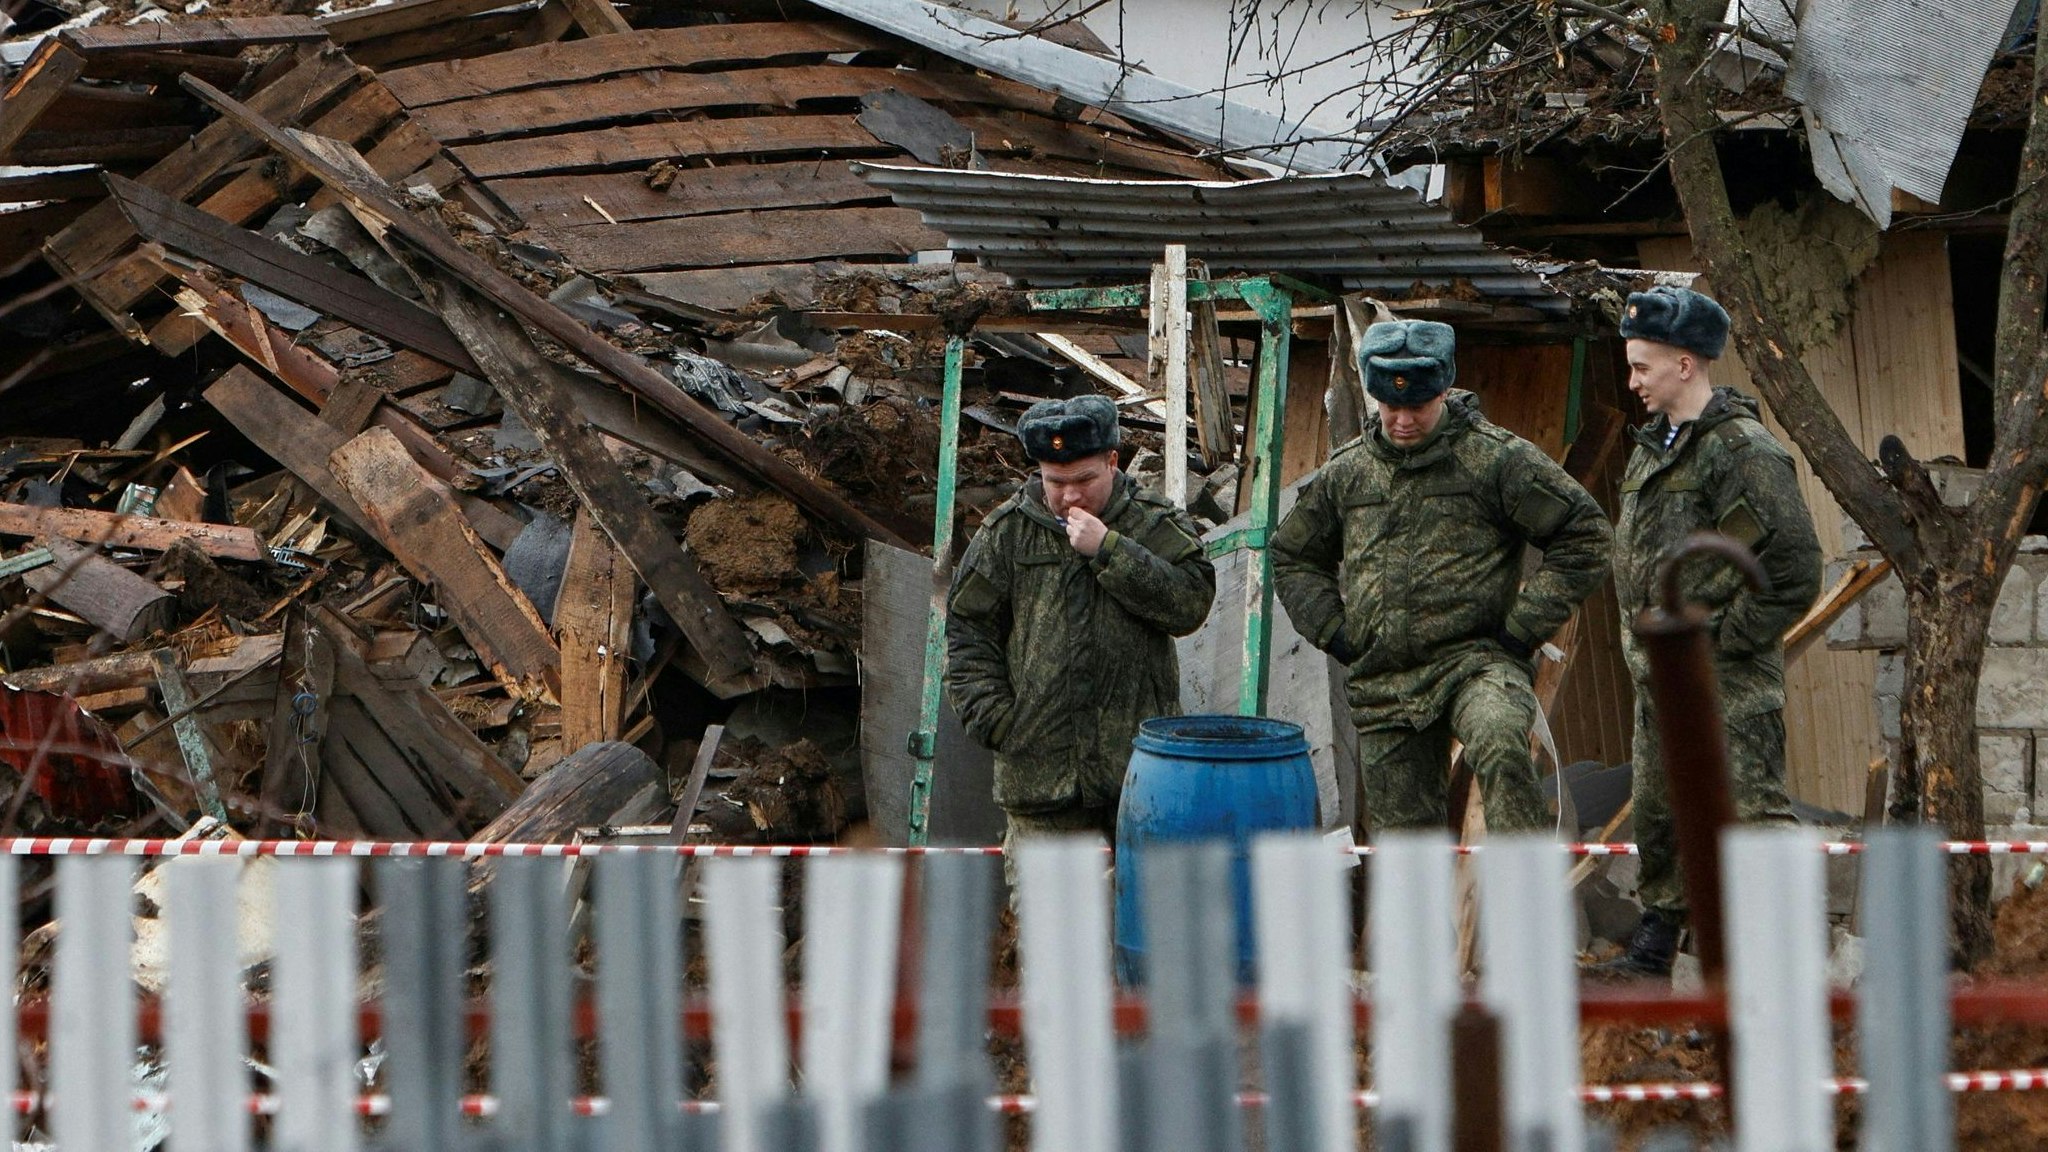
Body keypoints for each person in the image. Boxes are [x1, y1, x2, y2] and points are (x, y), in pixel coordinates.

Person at [1271, 320, 1610, 836]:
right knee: (1406, 848)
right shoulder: (1348, 472)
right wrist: (1336, 632)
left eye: (1418, 406)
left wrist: (1523, 628)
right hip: (1385, 680)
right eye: (1391, 407)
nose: (1403, 420)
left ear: (1445, 391)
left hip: (1476, 662)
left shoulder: (1495, 460)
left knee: (1499, 737)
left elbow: (1585, 535)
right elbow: (1293, 555)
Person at [1599, 285, 1822, 977]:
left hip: (1725, 684)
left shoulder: (1741, 451)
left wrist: (1724, 641)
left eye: (1642, 367)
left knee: (1748, 824)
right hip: (1661, 678)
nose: (1633, 382)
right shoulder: (1655, 447)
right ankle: (1655, 954)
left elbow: (1793, 567)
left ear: (1685, 364)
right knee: (1663, 816)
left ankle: (1774, 977)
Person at [945, 395, 1216, 867]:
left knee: (1151, 910)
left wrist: (1110, 550)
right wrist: (1000, 723)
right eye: (1056, 482)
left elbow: (1191, 603)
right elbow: (967, 633)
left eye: (1085, 480)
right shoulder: (1006, 534)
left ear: (1113, 461)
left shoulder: (1152, 523)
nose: (1070, 496)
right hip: (1041, 781)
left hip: (1140, 776)